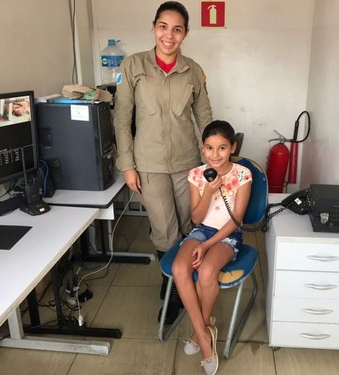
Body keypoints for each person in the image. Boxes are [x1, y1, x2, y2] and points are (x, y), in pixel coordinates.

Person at [113, 1, 213, 324]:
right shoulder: (133, 67)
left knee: (189, 226)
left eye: (177, 29)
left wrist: (213, 163)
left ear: (186, 34)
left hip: (188, 164)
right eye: (163, 27)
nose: (169, 36)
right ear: (153, 27)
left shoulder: (193, 71)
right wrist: (127, 164)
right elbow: (121, 118)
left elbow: (205, 120)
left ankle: (183, 282)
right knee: (164, 230)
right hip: (149, 165)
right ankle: (171, 288)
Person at [172, 120, 252, 375]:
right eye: (209, 148)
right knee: (179, 267)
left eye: (222, 148)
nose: (215, 155)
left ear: (232, 147)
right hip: (201, 230)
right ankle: (205, 334)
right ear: (202, 148)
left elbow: (237, 219)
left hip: (227, 234)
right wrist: (208, 191)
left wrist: (206, 246)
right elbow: (196, 219)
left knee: (207, 272)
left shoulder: (242, 174)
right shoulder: (197, 175)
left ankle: (199, 335)